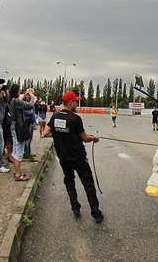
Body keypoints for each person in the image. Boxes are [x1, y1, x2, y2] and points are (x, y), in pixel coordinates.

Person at [44, 91, 103, 223]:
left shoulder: (55, 116)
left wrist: (60, 134)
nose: (77, 103)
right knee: (88, 184)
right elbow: (85, 138)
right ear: (70, 103)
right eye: (76, 101)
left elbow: (45, 133)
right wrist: (94, 138)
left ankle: (75, 207)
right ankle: (96, 213)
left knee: (69, 181)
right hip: (78, 159)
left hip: (64, 159)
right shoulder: (75, 119)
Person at [8, 84, 36, 181]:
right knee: (19, 151)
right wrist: (32, 97)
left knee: (16, 149)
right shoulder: (16, 101)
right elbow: (29, 106)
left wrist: (23, 97)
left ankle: (17, 171)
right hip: (18, 127)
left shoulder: (11, 100)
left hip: (13, 126)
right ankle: (18, 174)